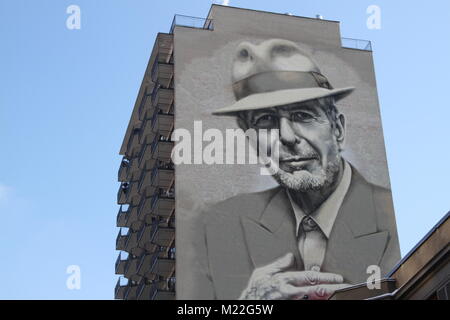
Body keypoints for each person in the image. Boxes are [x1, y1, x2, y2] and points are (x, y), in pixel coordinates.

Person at [190, 39, 400, 300]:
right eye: (266, 121)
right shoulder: (220, 226)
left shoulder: (389, 214)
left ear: (338, 129)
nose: (287, 137)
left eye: (303, 115)